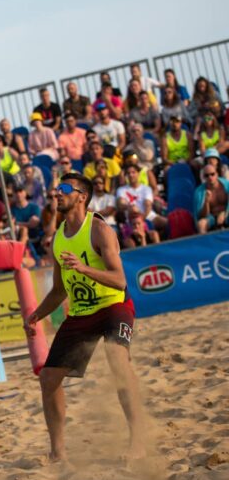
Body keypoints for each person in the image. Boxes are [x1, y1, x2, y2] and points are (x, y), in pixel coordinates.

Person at [24, 173, 145, 462]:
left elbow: (119, 280)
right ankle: (58, 452)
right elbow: (59, 290)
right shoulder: (57, 239)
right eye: (56, 189)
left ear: (82, 196)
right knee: (49, 378)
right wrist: (36, 315)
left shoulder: (99, 230)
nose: (57, 193)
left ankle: (138, 441)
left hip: (113, 305)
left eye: (64, 189)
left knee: (118, 359)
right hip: (81, 312)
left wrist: (84, 268)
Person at [194, 163, 228, 232]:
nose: (210, 177)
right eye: (207, 175)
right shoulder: (199, 192)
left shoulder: (227, 186)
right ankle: (205, 242)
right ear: (204, 177)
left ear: (217, 174)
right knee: (201, 224)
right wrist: (206, 202)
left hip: (226, 214)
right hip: (211, 217)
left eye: (212, 174)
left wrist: (225, 213)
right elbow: (201, 216)